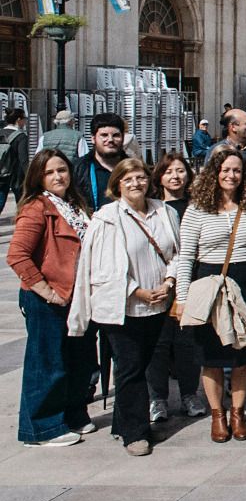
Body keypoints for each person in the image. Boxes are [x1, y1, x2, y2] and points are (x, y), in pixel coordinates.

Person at [66, 158, 177, 455]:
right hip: (123, 307)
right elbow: (103, 267)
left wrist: (167, 283)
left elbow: (177, 253)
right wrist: (137, 291)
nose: (135, 184)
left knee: (144, 363)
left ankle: (121, 422)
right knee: (129, 368)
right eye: (127, 179)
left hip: (159, 303)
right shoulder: (107, 217)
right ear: (116, 185)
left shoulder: (163, 211)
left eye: (140, 177)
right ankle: (135, 432)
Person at [173, 146, 246, 441]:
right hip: (210, 285)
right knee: (212, 356)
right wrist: (182, 300)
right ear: (215, 173)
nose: (231, 175)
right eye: (226, 170)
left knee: (245, 354)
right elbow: (186, 257)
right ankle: (218, 415)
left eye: (237, 170)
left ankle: (238, 412)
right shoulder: (197, 208)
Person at [9, 150, 97, 446]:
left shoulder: (73, 203)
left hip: (78, 296)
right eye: (50, 173)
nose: (58, 176)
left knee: (78, 360)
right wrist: (47, 291)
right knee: (46, 363)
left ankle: (73, 415)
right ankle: (42, 427)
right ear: (38, 177)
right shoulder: (37, 207)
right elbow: (17, 255)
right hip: (48, 298)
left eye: (62, 170)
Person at [146, 154, 206, 421]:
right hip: (158, 283)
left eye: (180, 171)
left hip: (190, 282)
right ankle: (157, 398)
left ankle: (189, 394)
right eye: (169, 171)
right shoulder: (151, 208)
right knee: (157, 343)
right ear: (159, 176)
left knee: (188, 343)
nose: (175, 176)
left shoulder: (196, 206)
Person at [71, 112, 127, 211]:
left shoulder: (133, 168)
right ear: (93, 139)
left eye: (116, 135)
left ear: (122, 138)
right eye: (104, 135)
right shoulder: (78, 169)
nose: (110, 139)